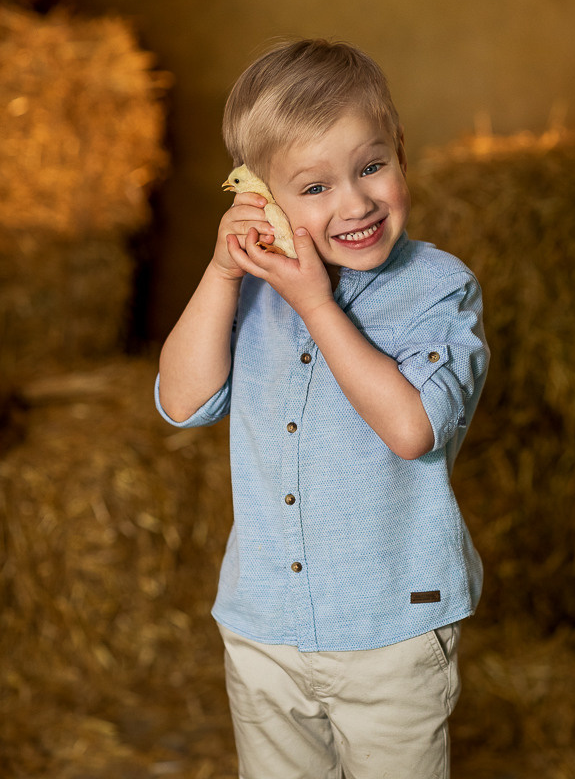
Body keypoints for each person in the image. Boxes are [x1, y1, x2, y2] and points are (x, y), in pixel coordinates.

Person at [155, 39, 489, 779]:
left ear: (401, 154)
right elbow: (181, 402)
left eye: (371, 167)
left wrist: (314, 304)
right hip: (264, 624)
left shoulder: (439, 289)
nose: (355, 203)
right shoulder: (249, 288)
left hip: (391, 628)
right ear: (261, 199)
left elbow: (412, 430)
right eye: (314, 186)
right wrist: (220, 272)